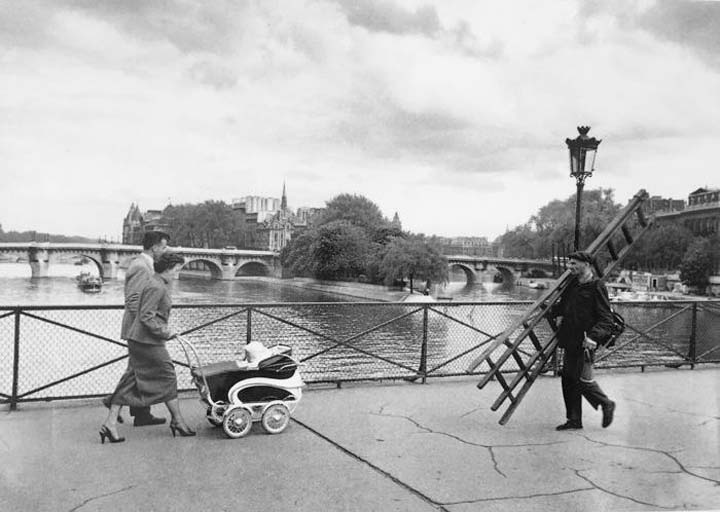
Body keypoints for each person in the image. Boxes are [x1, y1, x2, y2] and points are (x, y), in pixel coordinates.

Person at [99, 251, 196, 443]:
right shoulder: (156, 286)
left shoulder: (156, 283)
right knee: (168, 375)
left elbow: (148, 315)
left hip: (141, 339)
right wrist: (165, 332)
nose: (177, 274)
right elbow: (146, 316)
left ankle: (109, 424)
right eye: (176, 269)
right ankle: (178, 421)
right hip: (147, 341)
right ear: (168, 268)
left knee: (131, 380)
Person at [102, 231, 169, 426]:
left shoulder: (145, 265)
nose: (164, 251)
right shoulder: (141, 267)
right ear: (155, 247)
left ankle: (141, 413)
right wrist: (148, 326)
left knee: (136, 371)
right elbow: (133, 301)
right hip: (140, 330)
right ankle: (115, 402)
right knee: (143, 371)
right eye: (163, 247)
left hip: (141, 328)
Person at [549, 251, 616, 431]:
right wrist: (553, 311)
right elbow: (562, 307)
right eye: (569, 264)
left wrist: (594, 337)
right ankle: (574, 420)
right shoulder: (572, 285)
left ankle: (606, 403)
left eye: (573, 264)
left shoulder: (597, 286)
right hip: (570, 338)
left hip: (586, 341)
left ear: (586, 264)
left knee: (578, 379)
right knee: (568, 379)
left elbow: (606, 319)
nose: (569, 267)